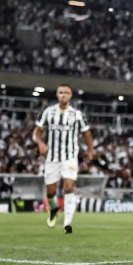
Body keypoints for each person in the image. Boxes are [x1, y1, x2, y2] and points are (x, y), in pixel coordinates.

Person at [32, 84, 94, 234]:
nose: (64, 95)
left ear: (71, 96)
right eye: (61, 92)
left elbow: (87, 133)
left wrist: (91, 149)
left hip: (70, 156)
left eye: (66, 92)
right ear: (57, 95)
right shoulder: (48, 112)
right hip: (52, 157)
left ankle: (67, 223)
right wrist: (40, 143)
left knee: (69, 187)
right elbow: (37, 131)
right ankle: (53, 208)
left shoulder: (77, 115)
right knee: (51, 192)